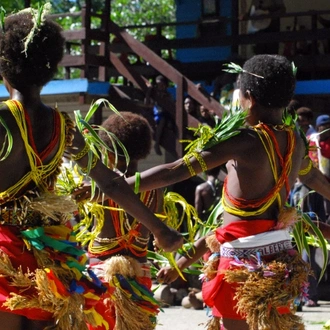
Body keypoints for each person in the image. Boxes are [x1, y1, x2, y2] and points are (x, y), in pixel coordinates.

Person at [0, 5, 182, 330]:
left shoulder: (4, 120)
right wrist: (159, 229)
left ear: (5, 64)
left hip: (6, 252)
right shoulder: (63, 126)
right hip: (50, 262)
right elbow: (111, 183)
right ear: (51, 68)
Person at [125, 54, 330, 330]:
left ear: (248, 98)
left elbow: (175, 170)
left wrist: (117, 185)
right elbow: (315, 177)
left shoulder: (246, 141)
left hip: (242, 268)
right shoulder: (296, 141)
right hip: (280, 261)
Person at [81, 111, 163, 330]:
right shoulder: (156, 188)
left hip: (102, 272)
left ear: (109, 145)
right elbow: (159, 234)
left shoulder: (99, 185)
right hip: (140, 275)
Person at [145, 75, 176, 155]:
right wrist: (149, 90)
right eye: (158, 85)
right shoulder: (154, 94)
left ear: (165, 85)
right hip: (157, 114)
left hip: (167, 114)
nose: (160, 87)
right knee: (162, 120)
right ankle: (157, 143)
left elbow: (172, 105)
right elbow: (147, 103)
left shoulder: (168, 95)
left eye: (162, 85)